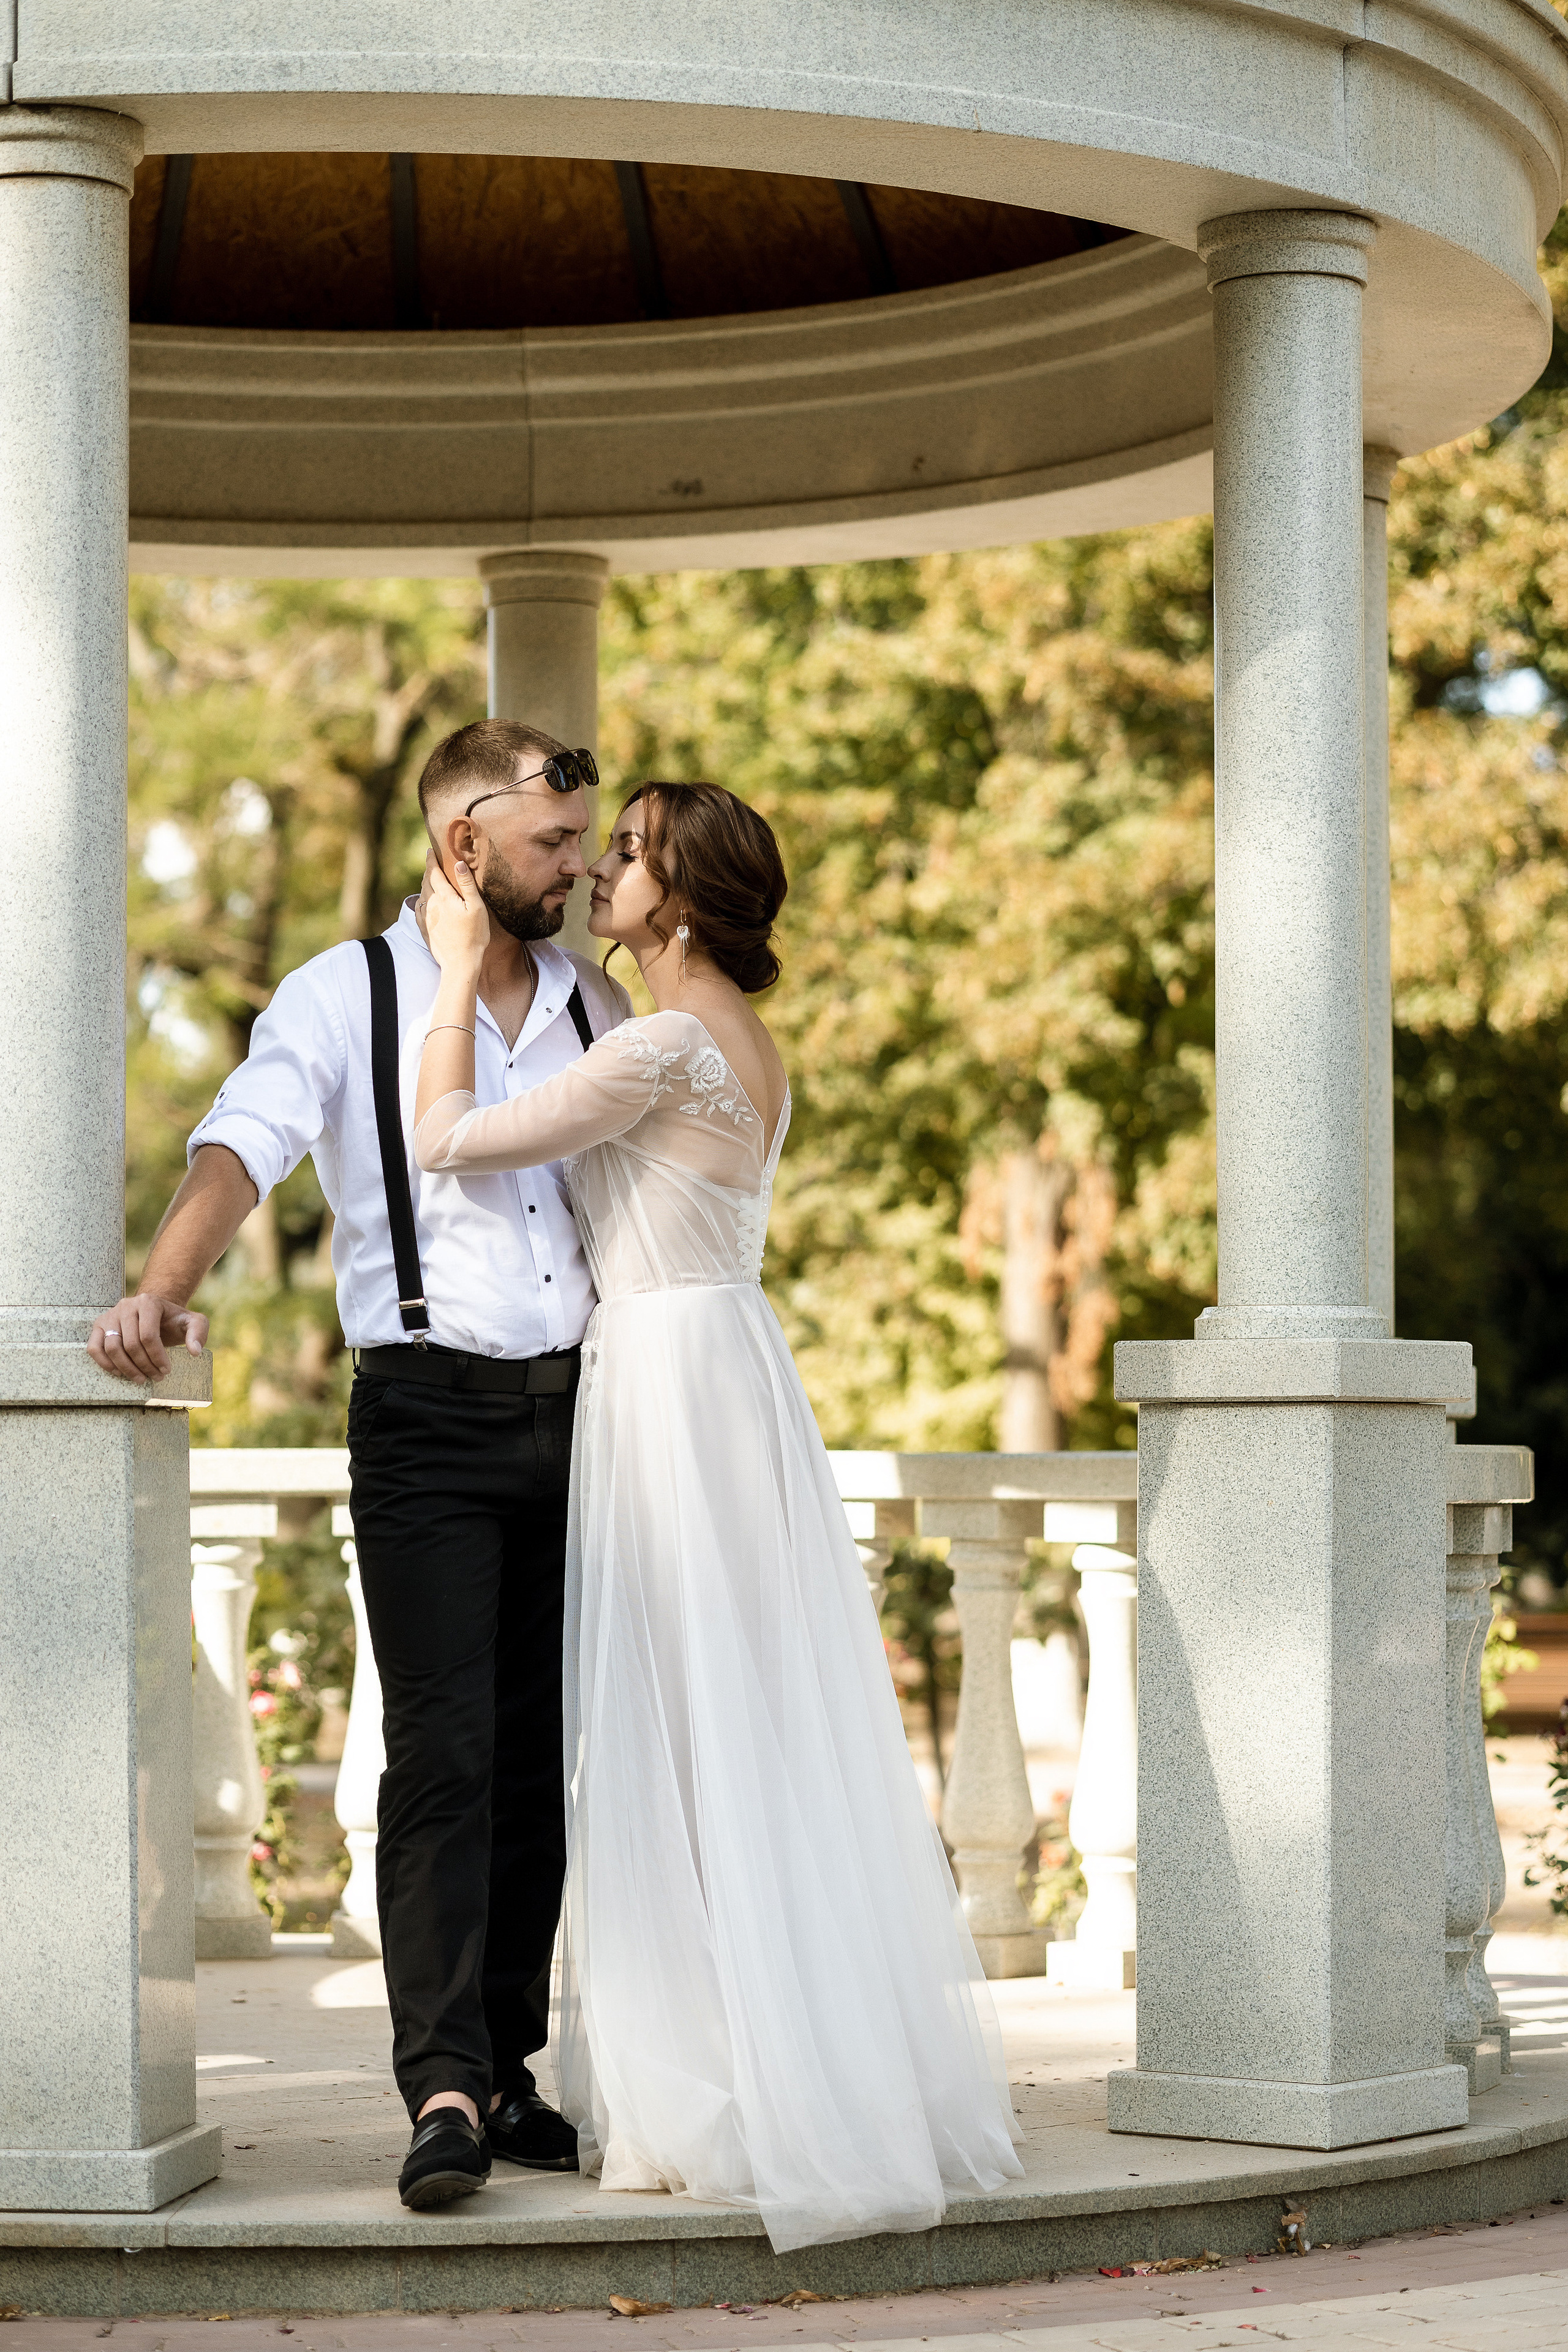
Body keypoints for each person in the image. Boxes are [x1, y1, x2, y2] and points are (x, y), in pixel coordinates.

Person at [413, 780, 1023, 2254]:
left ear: (675, 903)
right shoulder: (751, 1048)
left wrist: (447, 975)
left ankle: (719, 2096)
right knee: (748, 1729)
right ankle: (779, 2066)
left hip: (673, 1385)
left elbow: (445, 1136)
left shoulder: (664, 1044)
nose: (603, 873)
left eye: (622, 856)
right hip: (733, 1371)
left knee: (681, 1743)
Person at [87, 719, 632, 2211]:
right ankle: (441, 2082)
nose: (576, 871)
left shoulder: (592, 994)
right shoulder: (341, 993)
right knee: (444, 1759)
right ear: (466, 845)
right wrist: (163, 1285)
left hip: (587, 1411)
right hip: (427, 1420)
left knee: (542, 1767)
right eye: (551, 845)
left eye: (584, 846)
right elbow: (240, 1144)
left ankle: (508, 2067)